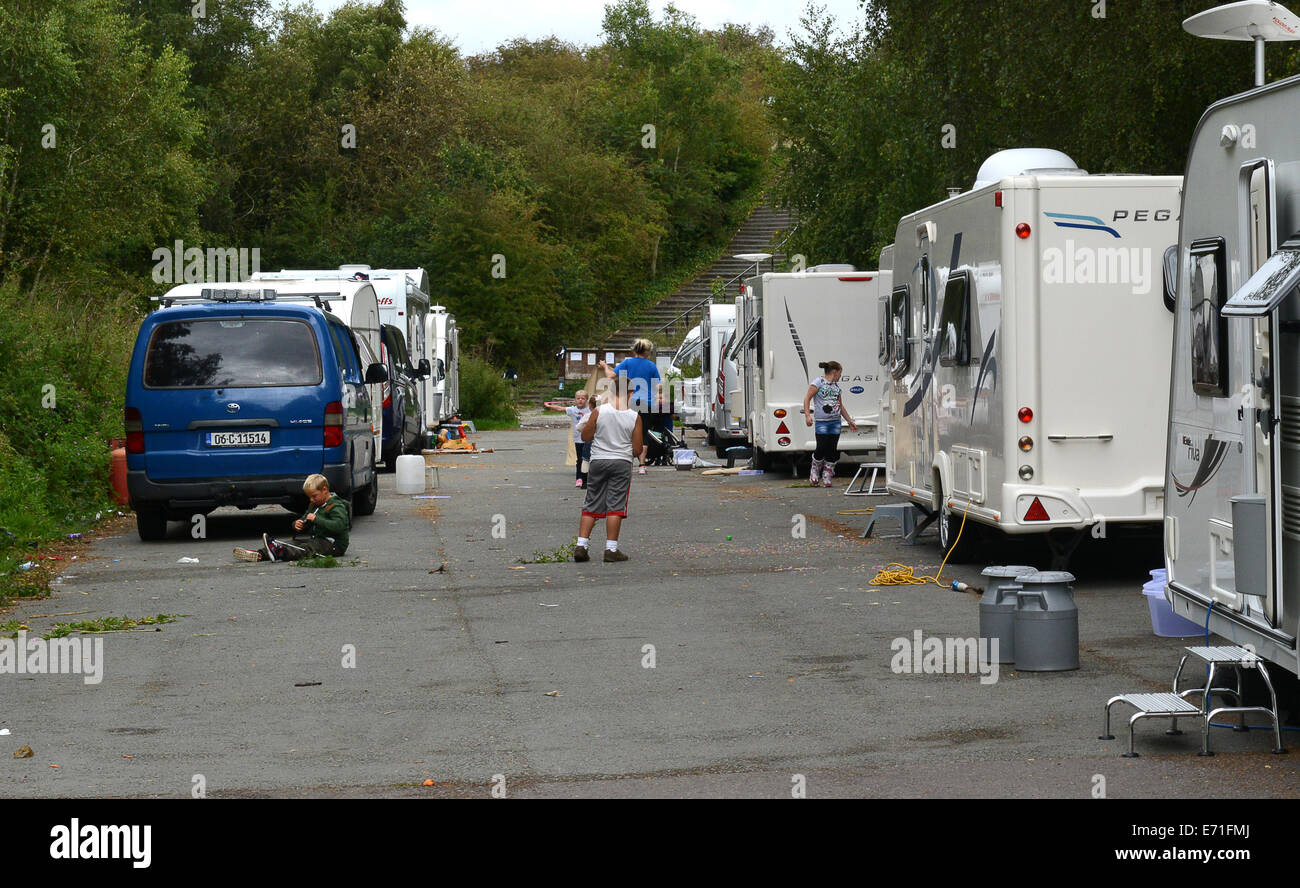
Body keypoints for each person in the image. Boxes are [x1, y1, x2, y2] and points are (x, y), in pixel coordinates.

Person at [574, 380, 644, 563]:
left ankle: (581, 545)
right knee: (616, 505)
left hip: (598, 461)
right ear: (630, 394)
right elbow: (637, 449)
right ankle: (611, 549)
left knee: (591, 502)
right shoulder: (634, 417)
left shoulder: (599, 411)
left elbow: (585, 436)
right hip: (621, 463)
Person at [234, 474, 351, 562]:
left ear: (325, 490)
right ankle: (260, 554)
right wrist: (298, 524)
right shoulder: (315, 505)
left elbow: (339, 526)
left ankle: (281, 553)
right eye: (309, 497)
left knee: (308, 548)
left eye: (314, 496)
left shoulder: (336, 506)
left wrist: (317, 519)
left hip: (334, 544)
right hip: (318, 539)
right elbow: (305, 518)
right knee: (293, 542)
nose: (311, 500)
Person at [598, 339, 660, 473]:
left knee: (627, 431)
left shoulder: (627, 362)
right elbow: (658, 385)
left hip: (630, 401)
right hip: (647, 403)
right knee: (643, 432)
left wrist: (604, 366)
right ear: (647, 351)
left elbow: (610, 376)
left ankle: (627, 461)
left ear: (635, 350)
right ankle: (642, 465)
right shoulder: (651, 366)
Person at [802, 360, 858, 488]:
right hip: (822, 421)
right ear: (834, 371)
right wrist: (807, 415)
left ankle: (827, 475)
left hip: (835, 421)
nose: (840, 376)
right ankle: (815, 471)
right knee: (821, 447)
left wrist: (850, 421)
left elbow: (840, 406)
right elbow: (807, 398)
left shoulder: (836, 387)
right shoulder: (818, 383)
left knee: (832, 449)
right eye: (840, 373)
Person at [565, 389, 593, 488]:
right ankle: (579, 478)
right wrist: (549, 406)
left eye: (583, 398)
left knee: (588, 459)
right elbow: (560, 409)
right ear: (575, 400)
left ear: (587, 400)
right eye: (578, 398)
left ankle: (588, 478)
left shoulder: (590, 410)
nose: (580, 400)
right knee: (580, 459)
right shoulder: (573, 410)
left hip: (588, 439)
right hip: (578, 439)